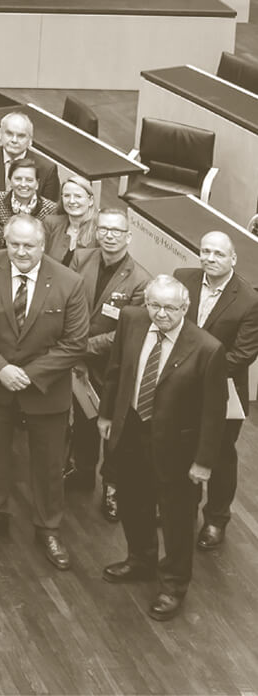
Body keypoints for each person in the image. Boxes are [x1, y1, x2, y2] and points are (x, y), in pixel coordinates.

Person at [0, 214, 90, 570]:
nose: (20, 251)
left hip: (45, 389)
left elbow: (75, 342)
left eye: (28, 245)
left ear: (43, 245)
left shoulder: (69, 282)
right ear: (5, 239)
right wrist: (0, 367)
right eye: (14, 244)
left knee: (48, 463)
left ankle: (48, 527)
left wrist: (27, 376)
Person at [98, 275, 229, 621]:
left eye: (170, 308)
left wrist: (203, 463)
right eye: (154, 305)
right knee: (131, 500)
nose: (160, 314)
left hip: (177, 448)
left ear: (185, 308)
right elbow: (116, 370)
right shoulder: (131, 319)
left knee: (176, 518)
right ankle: (140, 560)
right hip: (130, 432)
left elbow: (215, 414)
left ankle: (173, 585)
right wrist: (107, 414)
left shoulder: (207, 348)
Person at [175, 232, 258, 551]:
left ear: (233, 259)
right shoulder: (183, 278)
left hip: (223, 392)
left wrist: (196, 375)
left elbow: (243, 355)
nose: (209, 258)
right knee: (181, 448)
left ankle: (216, 519)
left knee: (220, 456)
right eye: (204, 251)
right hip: (180, 386)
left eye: (218, 254)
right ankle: (182, 509)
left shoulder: (250, 299)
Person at [66, 208, 150, 519]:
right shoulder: (80, 258)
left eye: (116, 230)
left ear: (128, 236)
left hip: (114, 367)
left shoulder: (141, 280)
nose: (109, 235)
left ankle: (112, 486)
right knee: (83, 420)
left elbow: (127, 333)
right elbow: (66, 303)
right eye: (104, 229)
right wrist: (74, 351)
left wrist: (82, 348)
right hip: (76, 362)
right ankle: (82, 471)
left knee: (115, 430)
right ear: (97, 232)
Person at [0, 111, 61, 201]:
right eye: (9, 134)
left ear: (30, 140)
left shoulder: (47, 169)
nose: (14, 140)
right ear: (0, 135)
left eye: (21, 136)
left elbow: (50, 209)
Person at [0, 158, 61, 240]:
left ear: (37, 184)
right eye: (18, 179)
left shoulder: (51, 210)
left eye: (29, 180)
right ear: (10, 181)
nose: (23, 184)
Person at [52, 175, 98, 263]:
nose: (71, 201)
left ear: (91, 200)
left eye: (78, 196)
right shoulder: (52, 223)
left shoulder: (99, 231)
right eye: (67, 196)